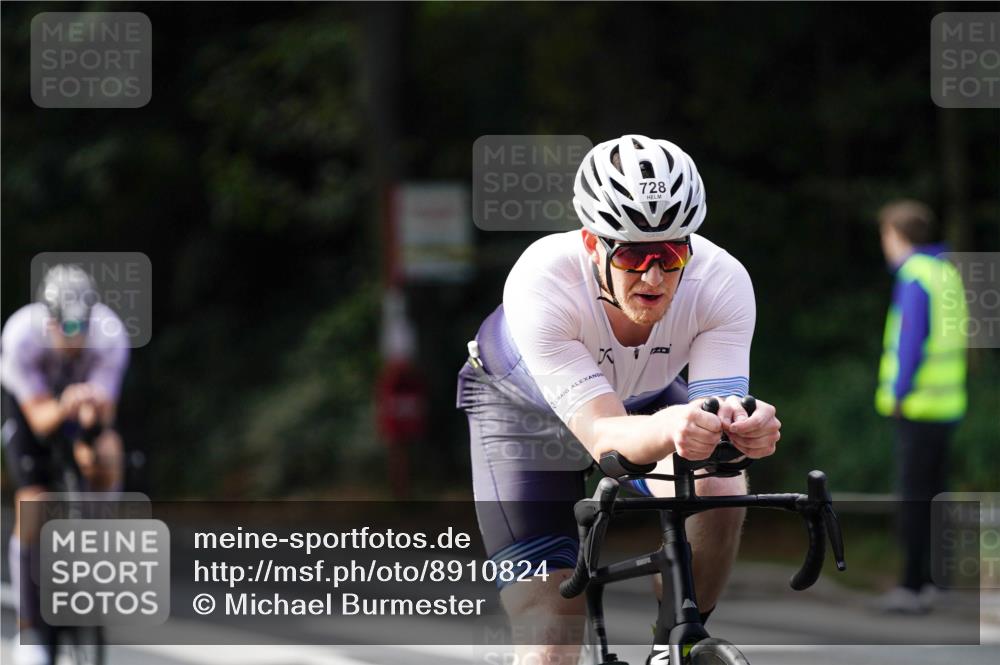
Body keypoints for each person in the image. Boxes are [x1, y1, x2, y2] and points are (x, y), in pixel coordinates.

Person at [457, 134, 781, 663]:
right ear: (592, 244)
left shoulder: (721, 280)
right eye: (632, 254)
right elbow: (606, 434)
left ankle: (671, 644)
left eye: (672, 252)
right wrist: (680, 424)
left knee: (720, 479)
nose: (653, 275)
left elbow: (714, 417)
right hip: (522, 418)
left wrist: (745, 427)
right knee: (550, 634)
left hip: (644, 400)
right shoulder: (542, 280)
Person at [1, 264, 130, 665]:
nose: (74, 337)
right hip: (33, 407)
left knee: (107, 453)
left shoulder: (110, 338)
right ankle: (28, 632)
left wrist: (89, 421)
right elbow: (40, 419)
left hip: (82, 406)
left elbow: (102, 420)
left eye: (81, 328)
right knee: (34, 501)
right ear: (49, 319)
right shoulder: (22, 335)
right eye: (65, 328)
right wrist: (64, 405)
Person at [873, 200, 967, 614]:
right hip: (949, 403)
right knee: (936, 495)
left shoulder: (914, 276)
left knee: (913, 498)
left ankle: (911, 586)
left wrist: (898, 392)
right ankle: (935, 581)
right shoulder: (946, 271)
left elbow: (911, 341)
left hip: (918, 405)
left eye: (886, 236)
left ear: (897, 235)